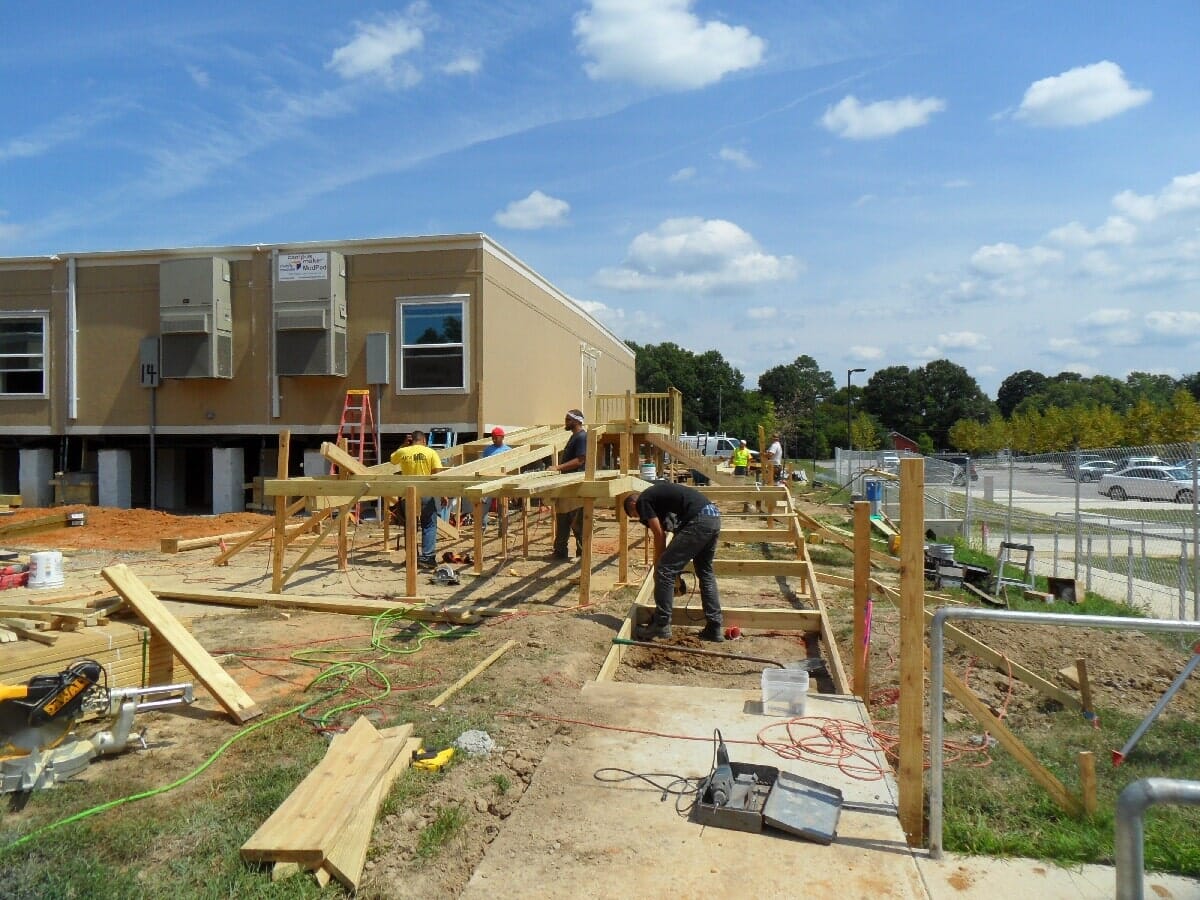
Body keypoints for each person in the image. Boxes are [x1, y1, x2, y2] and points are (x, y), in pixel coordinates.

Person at [624, 482, 723, 642]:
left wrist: (660, 567)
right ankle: (714, 626)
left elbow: (659, 535)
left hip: (698, 519)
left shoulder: (643, 501)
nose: (641, 518)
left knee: (664, 570)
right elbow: (670, 535)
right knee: (705, 572)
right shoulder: (660, 503)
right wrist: (672, 570)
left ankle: (661, 624)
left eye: (635, 514)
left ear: (634, 504)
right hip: (713, 516)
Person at [390, 430, 446, 568]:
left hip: (407, 495)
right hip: (426, 493)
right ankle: (427, 558)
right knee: (429, 525)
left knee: (410, 526)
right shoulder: (430, 452)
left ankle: (411, 558)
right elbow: (437, 474)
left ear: (411, 440)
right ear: (424, 440)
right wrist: (442, 493)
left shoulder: (403, 452)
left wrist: (403, 445)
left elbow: (392, 460)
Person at [551, 408, 587, 560]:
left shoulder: (582, 437)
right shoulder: (574, 437)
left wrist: (558, 467)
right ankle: (560, 552)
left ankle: (582, 553)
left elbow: (581, 460)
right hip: (568, 484)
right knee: (563, 518)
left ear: (577, 421)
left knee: (577, 521)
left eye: (568, 420)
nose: (566, 422)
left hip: (576, 484)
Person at [479, 427, 511, 529]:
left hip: (503, 481)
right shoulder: (487, 450)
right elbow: (482, 465)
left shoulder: (508, 450)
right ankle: (482, 530)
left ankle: (503, 530)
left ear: (502, 437)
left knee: (503, 507)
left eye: (496, 437)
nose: (493, 439)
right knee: (484, 506)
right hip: (489, 480)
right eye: (492, 437)